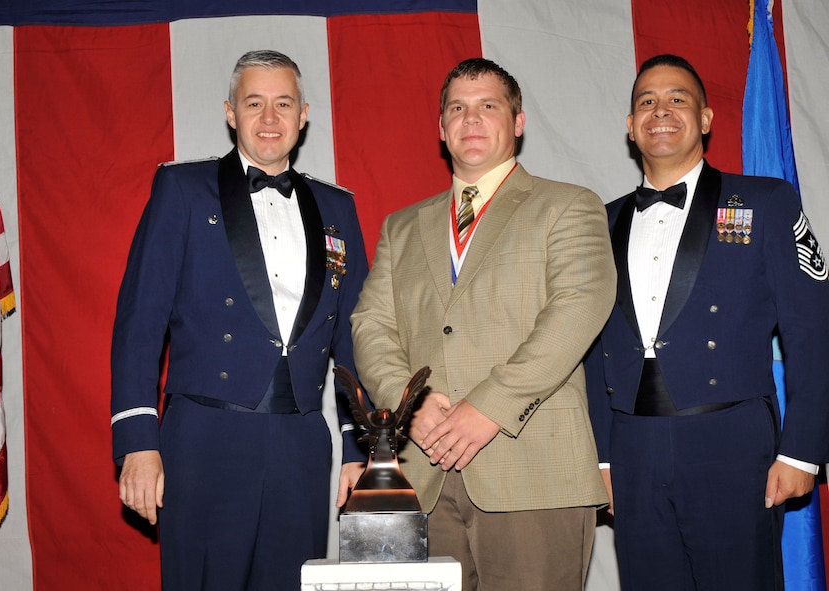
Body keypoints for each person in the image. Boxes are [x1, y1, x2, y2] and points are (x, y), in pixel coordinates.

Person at [350, 57, 616, 591]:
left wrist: (488, 407)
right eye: (457, 109)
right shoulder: (401, 227)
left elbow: (580, 307)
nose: (471, 120)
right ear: (441, 127)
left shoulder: (568, 206)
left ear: (517, 122)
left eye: (488, 106)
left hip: (535, 474)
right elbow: (369, 324)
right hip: (422, 476)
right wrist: (412, 406)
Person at [110, 49, 367, 591]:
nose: (269, 119)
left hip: (300, 440)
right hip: (205, 436)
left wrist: (358, 446)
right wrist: (138, 440)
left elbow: (353, 335)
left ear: (304, 115)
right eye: (255, 103)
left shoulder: (338, 207)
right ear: (231, 112)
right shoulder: (181, 190)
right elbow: (140, 320)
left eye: (282, 104)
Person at [585, 54, 829, 590]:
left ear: (706, 118)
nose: (661, 110)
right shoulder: (600, 221)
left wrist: (802, 450)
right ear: (630, 125)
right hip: (633, 447)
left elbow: (813, 333)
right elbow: (593, 348)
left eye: (678, 99)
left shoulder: (765, 202)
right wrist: (601, 459)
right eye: (646, 102)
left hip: (731, 442)